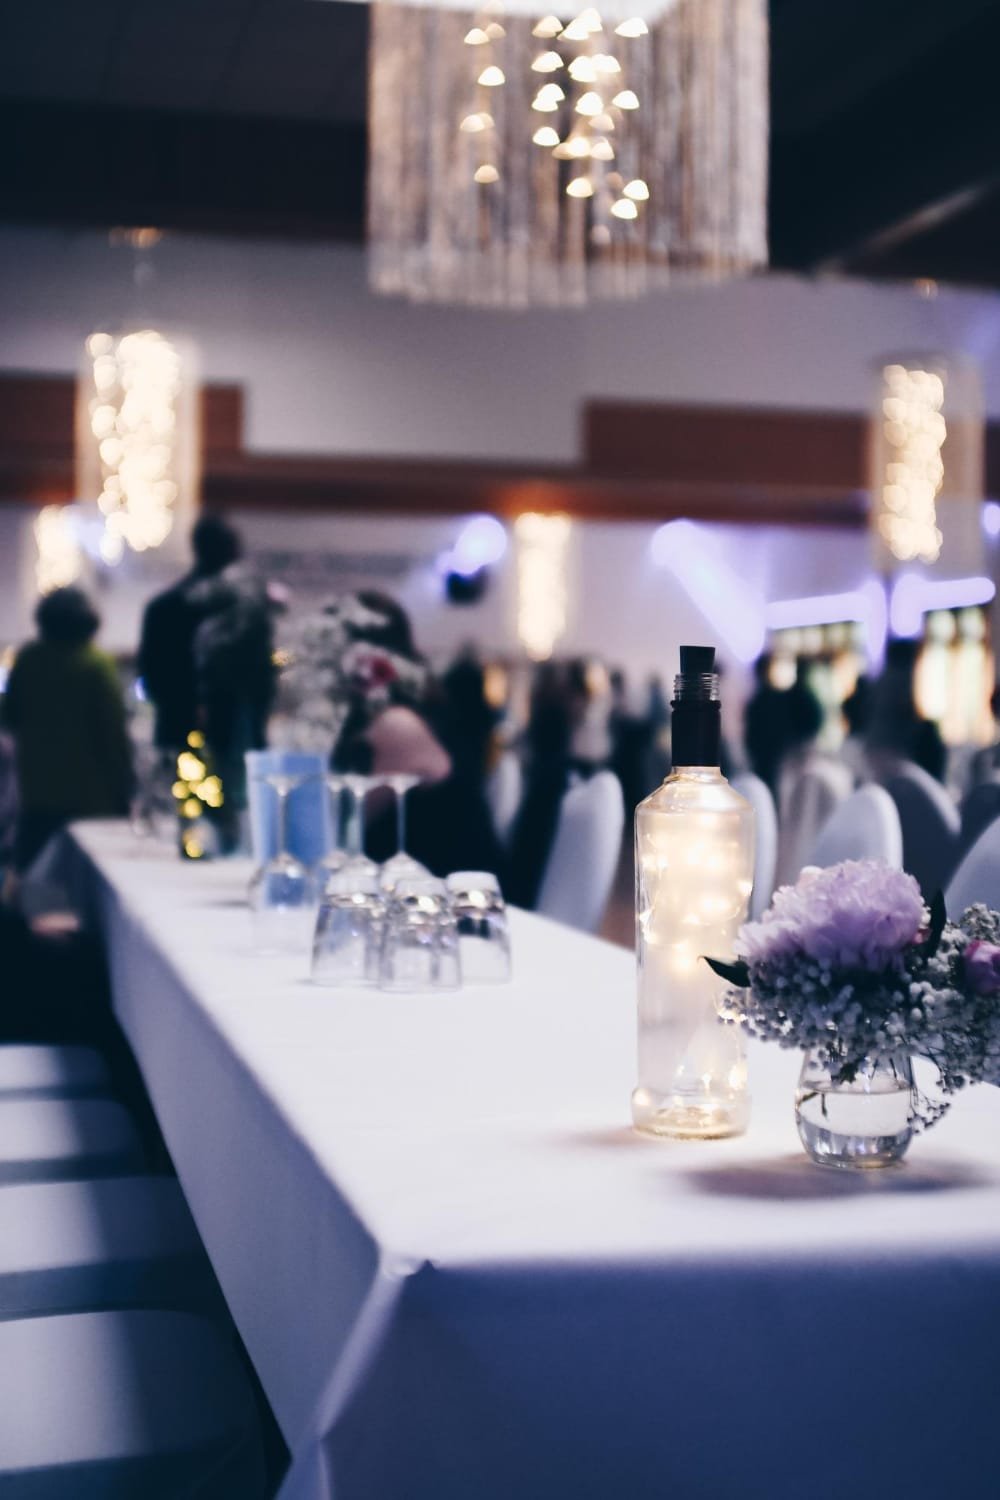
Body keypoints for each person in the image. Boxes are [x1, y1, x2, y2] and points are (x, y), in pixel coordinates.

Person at [332, 593, 506, 881]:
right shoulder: (417, 704)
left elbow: (346, 828)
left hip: (457, 901)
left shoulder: (398, 724)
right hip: (413, 892)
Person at [2, 587, 133, 868]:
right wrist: (124, 790)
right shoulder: (95, 664)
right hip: (92, 796)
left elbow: (10, 717)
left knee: (30, 872)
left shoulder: (28, 660)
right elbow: (113, 736)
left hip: (38, 789)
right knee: (86, 879)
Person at [137, 513, 242, 755]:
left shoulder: (162, 606)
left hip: (174, 728)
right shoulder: (237, 609)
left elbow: (150, 672)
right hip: (227, 737)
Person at [865, 639, 947, 784]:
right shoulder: (903, 678)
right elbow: (909, 712)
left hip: (876, 745)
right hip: (893, 748)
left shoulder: (882, 678)